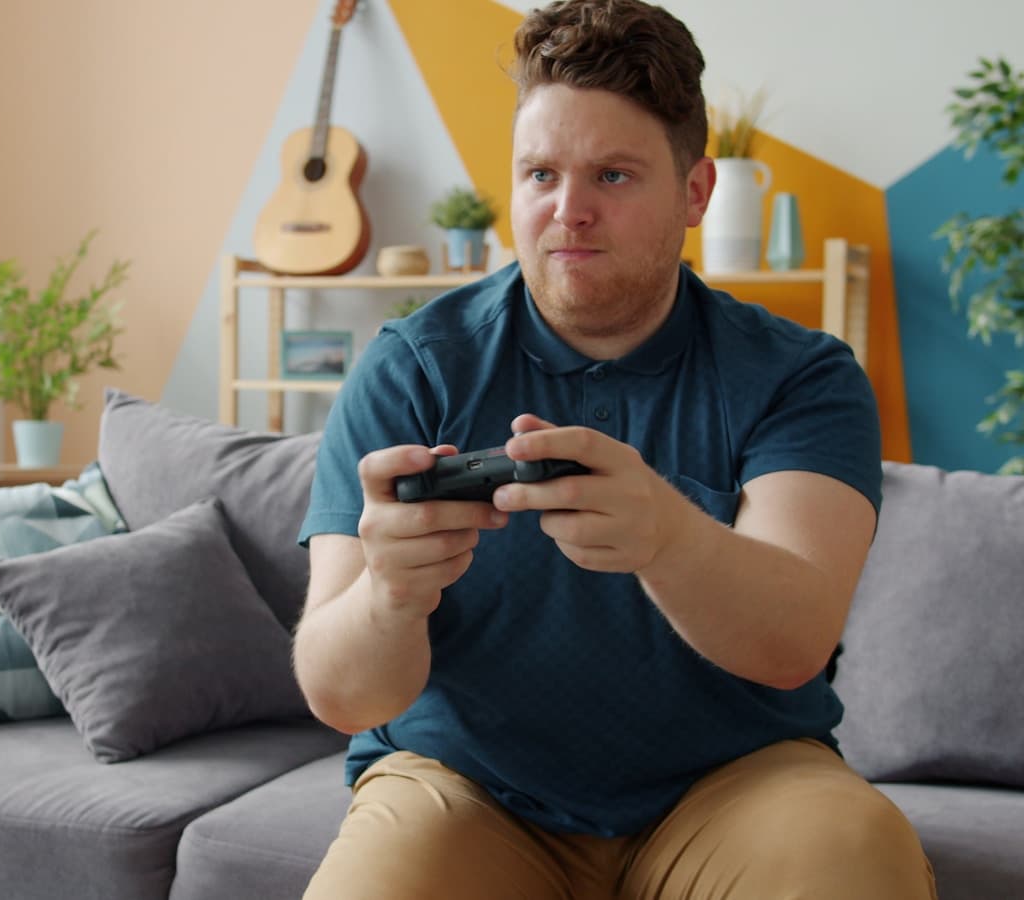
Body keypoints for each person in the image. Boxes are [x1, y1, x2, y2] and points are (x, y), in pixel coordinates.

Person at [291, 1, 937, 898]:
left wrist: (667, 538)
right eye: (541, 173)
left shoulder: (802, 376)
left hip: (738, 785)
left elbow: (794, 640)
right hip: (466, 786)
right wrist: (392, 596)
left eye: (616, 176)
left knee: (855, 854)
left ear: (696, 192)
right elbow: (341, 695)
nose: (570, 210)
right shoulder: (412, 369)